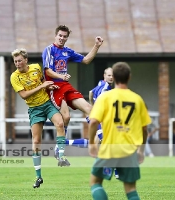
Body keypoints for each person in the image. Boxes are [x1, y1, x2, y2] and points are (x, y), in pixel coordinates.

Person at [88, 62, 152, 200]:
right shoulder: (137, 99)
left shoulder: (105, 97)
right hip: (129, 150)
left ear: (114, 77)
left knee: (95, 182)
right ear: (129, 77)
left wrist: (92, 144)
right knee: (131, 190)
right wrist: (141, 150)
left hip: (109, 148)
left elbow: (93, 122)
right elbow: (145, 129)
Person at [10, 48, 70, 189]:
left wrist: (50, 87)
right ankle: (38, 176)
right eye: (15, 61)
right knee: (36, 141)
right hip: (34, 109)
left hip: (47, 104)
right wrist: (42, 86)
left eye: (19, 60)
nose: (17, 63)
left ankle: (61, 156)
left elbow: (44, 84)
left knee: (60, 123)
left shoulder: (36, 67)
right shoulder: (15, 76)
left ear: (26, 60)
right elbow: (24, 95)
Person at [42, 25, 104, 158]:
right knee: (67, 117)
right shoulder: (49, 50)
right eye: (60, 36)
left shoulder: (67, 51)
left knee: (89, 108)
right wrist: (61, 76)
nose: (62, 38)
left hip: (66, 85)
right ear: (55, 35)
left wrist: (96, 46)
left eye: (65, 36)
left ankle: (101, 136)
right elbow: (47, 71)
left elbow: (86, 60)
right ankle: (60, 146)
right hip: (54, 86)